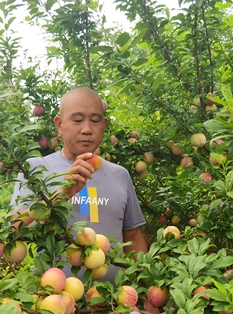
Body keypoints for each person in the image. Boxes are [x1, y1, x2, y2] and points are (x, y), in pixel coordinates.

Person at [10, 86, 148, 281]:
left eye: (95, 120)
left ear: (104, 124)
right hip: (55, 302)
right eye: (77, 120)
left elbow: (133, 236)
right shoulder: (35, 169)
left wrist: (144, 285)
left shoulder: (120, 175)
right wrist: (60, 194)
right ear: (59, 124)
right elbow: (11, 229)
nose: (86, 129)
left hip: (116, 302)